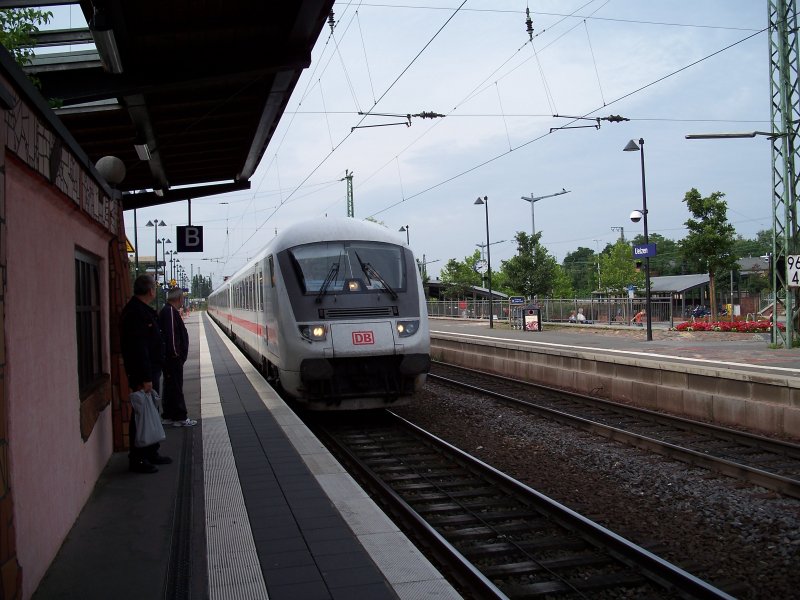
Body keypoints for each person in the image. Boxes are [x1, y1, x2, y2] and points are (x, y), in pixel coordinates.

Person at [120, 274, 171, 474]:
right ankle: (139, 458)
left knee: (150, 411)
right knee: (141, 415)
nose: (155, 291)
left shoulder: (140, 310)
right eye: (154, 288)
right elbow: (138, 348)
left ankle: (151, 451)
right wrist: (145, 377)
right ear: (150, 291)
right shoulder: (135, 313)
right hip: (144, 374)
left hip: (149, 371)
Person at [159, 288, 197, 428]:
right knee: (176, 387)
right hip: (172, 359)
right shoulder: (169, 311)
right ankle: (180, 417)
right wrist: (176, 355)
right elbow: (172, 336)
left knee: (170, 387)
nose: (182, 301)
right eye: (182, 298)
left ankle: (169, 415)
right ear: (179, 298)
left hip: (170, 359)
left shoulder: (168, 310)